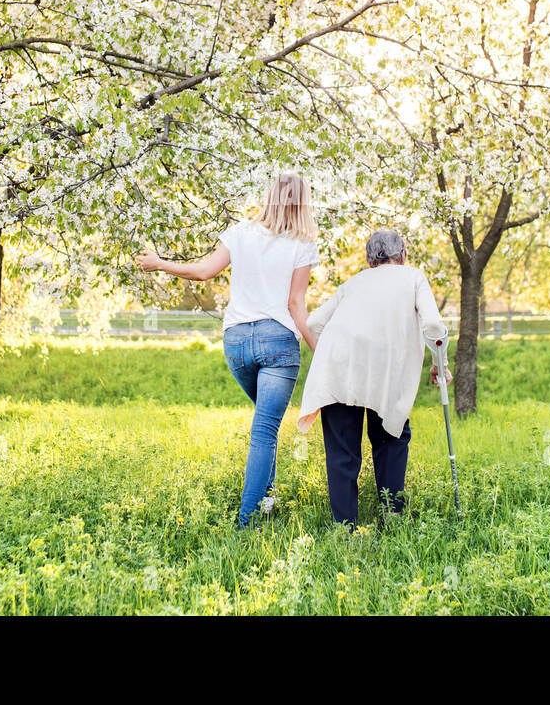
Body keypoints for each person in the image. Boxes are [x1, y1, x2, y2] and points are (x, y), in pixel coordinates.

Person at [136, 173, 320, 528]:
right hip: (278, 342)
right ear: (303, 203)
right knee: (265, 428)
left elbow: (204, 272)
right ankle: (246, 522)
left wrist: (160, 263)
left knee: (266, 422)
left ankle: (266, 494)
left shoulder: (240, 232)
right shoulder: (303, 243)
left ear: (270, 197)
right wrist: (321, 350)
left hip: (236, 341)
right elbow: (296, 305)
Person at [297, 228, 448, 529]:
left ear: (369, 260)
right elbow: (432, 323)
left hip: (339, 369)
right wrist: (439, 365)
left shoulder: (353, 283)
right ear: (403, 255)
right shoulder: (413, 276)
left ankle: (344, 528)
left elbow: (313, 323)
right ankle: (391, 517)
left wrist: (332, 357)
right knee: (390, 438)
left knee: (342, 450)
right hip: (386, 371)